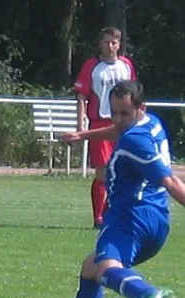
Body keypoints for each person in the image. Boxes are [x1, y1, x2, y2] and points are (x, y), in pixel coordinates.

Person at [59, 80, 185, 298]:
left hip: (130, 218)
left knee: (105, 268)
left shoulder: (133, 140)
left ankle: (148, 294)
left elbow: (170, 180)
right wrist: (84, 135)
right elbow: (117, 129)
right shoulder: (150, 123)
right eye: (113, 112)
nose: (117, 119)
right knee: (90, 268)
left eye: (123, 113)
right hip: (156, 218)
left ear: (141, 108)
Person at [74, 26, 136, 228]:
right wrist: (80, 120)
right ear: (100, 44)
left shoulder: (126, 66)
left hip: (122, 125)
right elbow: (82, 95)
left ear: (119, 44)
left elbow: (133, 95)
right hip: (100, 123)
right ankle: (98, 217)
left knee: (122, 170)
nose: (110, 46)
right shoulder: (92, 66)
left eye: (114, 42)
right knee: (102, 172)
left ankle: (113, 212)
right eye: (107, 42)